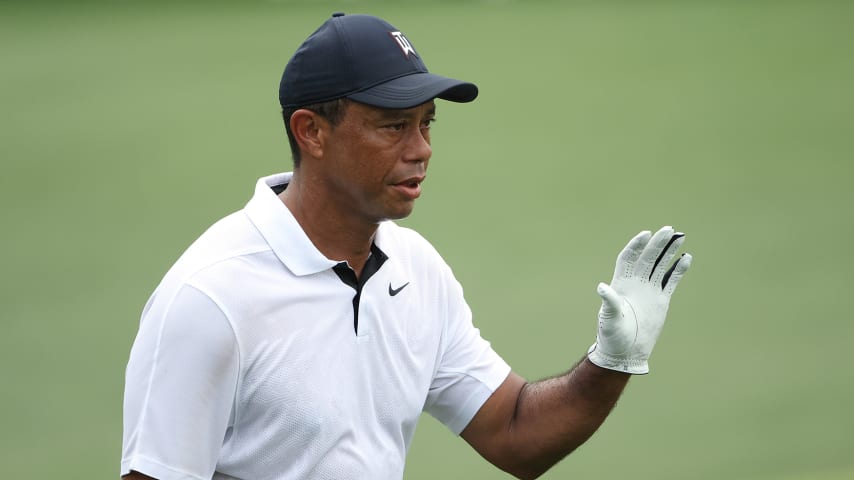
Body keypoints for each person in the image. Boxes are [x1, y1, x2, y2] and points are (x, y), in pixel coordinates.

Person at [120, 12, 693, 480]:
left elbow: (516, 433)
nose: (421, 149)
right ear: (311, 132)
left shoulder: (416, 271)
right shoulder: (210, 299)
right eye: (394, 126)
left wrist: (611, 363)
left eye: (427, 123)